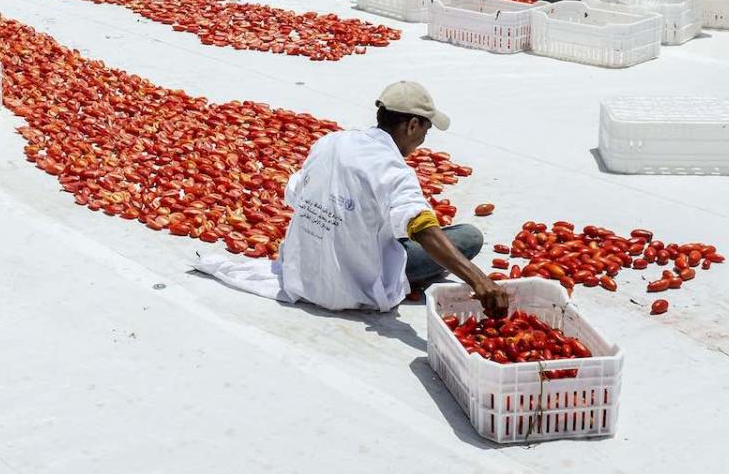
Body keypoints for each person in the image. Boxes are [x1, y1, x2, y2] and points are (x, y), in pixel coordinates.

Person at [192, 82, 509, 318]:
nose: (425, 138)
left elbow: (295, 193)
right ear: (412, 124)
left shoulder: (331, 142)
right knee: (467, 237)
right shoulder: (393, 168)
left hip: (303, 275)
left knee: (409, 229)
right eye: (425, 128)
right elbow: (421, 226)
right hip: (356, 286)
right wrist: (479, 281)